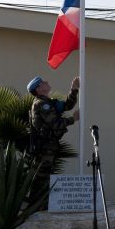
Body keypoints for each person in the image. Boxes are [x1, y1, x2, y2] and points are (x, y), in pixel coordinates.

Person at [27, 76, 80, 208]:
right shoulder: (41, 104)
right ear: (38, 89)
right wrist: (72, 120)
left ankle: (40, 206)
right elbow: (56, 124)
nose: (47, 82)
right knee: (41, 179)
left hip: (49, 147)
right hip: (44, 148)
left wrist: (73, 89)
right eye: (43, 83)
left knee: (44, 178)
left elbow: (67, 105)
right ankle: (36, 208)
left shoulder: (48, 102)